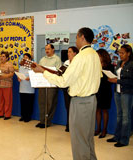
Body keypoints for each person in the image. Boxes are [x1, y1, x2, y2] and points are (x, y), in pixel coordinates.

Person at [33, 27, 101, 160]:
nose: (75, 41)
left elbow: (63, 81)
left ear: (82, 37)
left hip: (81, 102)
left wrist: (43, 72)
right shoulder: (94, 55)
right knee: (88, 139)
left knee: (79, 141)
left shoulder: (80, 57)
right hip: (92, 100)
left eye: (76, 37)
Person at [107, 44, 133, 147]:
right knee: (119, 116)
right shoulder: (119, 63)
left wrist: (116, 80)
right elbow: (115, 75)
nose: (120, 55)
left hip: (127, 93)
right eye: (119, 53)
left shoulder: (131, 64)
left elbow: (131, 81)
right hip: (117, 92)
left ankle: (124, 140)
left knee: (126, 117)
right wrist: (111, 78)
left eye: (122, 53)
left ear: (128, 53)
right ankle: (116, 136)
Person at [35, 44, 62, 128]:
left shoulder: (57, 59)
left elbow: (58, 72)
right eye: (46, 49)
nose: (47, 51)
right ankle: (42, 121)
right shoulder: (42, 59)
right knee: (42, 102)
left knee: (50, 103)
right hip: (42, 84)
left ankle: (48, 122)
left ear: (53, 50)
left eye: (49, 49)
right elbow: (38, 70)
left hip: (52, 84)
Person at [95, 49, 114, 138]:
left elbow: (111, 79)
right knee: (97, 110)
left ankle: (104, 130)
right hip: (97, 90)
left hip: (106, 90)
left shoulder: (110, 66)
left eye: (98, 55)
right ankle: (98, 128)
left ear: (103, 55)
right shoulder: (95, 65)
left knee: (104, 110)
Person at [0, 52, 14, 120]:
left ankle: (7, 115)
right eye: (1, 56)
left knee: (7, 100)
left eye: (3, 56)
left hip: (7, 85)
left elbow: (12, 73)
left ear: (7, 58)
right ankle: (0, 113)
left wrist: (4, 76)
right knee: (0, 100)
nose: (1, 57)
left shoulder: (9, 65)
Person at [62, 46, 79, 132]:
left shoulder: (78, 63)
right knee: (68, 107)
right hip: (66, 88)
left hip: (75, 88)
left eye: (70, 52)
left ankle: (75, 126)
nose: (68, 54)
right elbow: (61, 73)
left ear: (75, 53)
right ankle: (68, 125)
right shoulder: (66, 62)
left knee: (75, 108)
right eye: (68, 52)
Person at [18, 53, 35, 122]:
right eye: (24, 57)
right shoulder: (21, 66)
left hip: (29, 88)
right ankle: (23, 116)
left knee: (29, 103)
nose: (25, 58)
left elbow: (34, 75)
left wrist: (30, 78)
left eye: (27, 57)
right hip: (22, 87)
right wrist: (19, 78)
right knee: (23, 103)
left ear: (30, 59)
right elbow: (19, 74)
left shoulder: (32, 67)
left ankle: (28, 117)